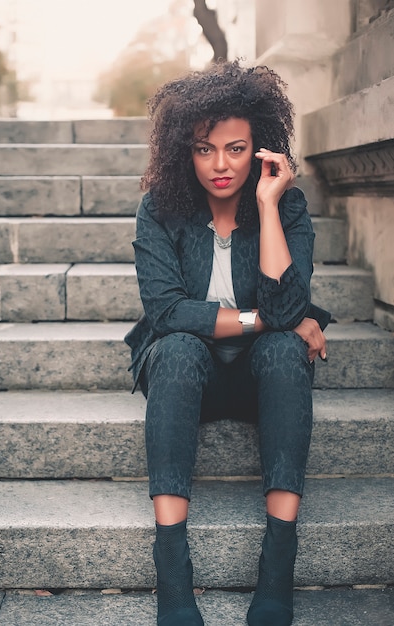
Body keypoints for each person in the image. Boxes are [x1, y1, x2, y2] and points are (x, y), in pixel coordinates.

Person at [125, 59, 330, 626]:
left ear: (260, 149)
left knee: (288, 349)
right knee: (178, 347)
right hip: (187, 376)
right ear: (182, 151)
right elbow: (167, 312)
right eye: (203, 149)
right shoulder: (160, 209)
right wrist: (270, 318)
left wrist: (266, 205)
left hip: (260, 379)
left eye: (236, 149)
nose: (220, 165)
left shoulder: (285, 205)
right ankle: (172, 570)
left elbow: (289, 308)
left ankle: (277, 568)